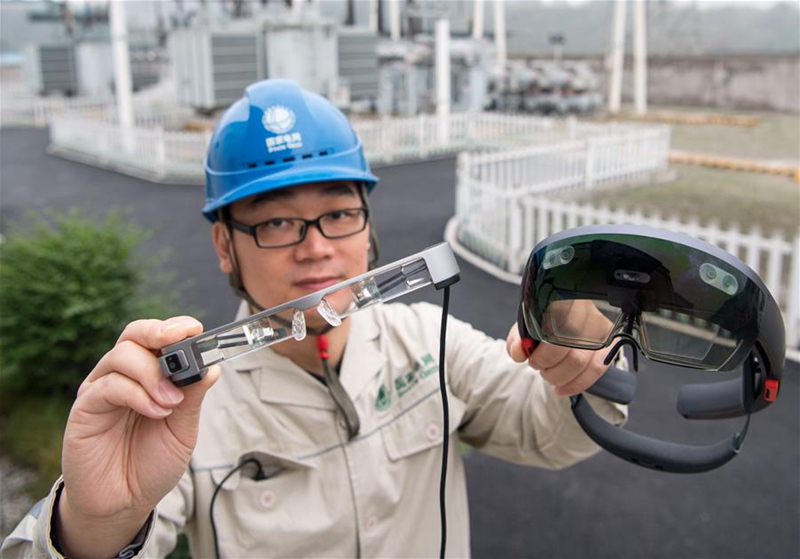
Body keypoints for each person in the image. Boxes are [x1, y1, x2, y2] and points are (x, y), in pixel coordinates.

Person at [1, 79, 625, 558]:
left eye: (338, 212)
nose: (317, 246)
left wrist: (584, 364)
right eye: (276, 222)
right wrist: (90, 526)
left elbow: (551, 432)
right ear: (225, 247)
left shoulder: (427, 344)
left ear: (367, 226)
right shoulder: (178, 413)